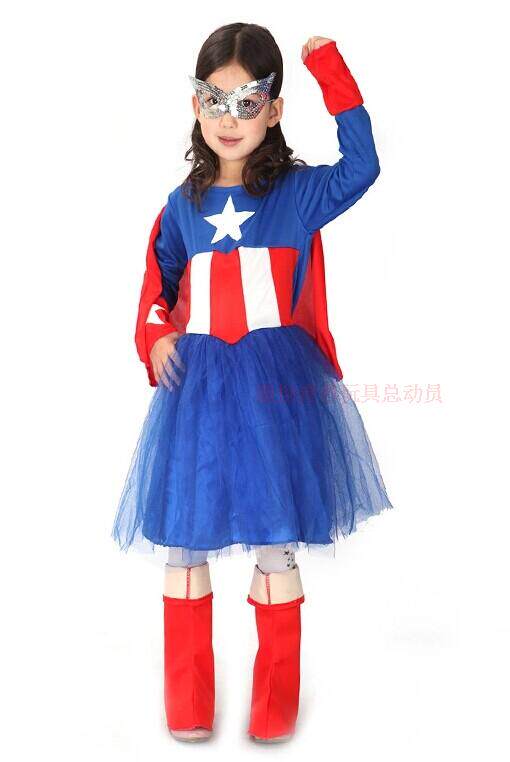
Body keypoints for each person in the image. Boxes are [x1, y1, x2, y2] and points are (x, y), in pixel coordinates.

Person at [111, 22, 394, 744]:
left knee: (275, 542)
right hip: (199, 388)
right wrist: (156, 335)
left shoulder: (298, 194)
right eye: (214, 100)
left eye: (247, 102)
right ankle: (188, 704)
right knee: (184, 544)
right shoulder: (182, 205)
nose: (228, 118)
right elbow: (156, 286)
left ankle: (274, 707)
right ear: (194, 106)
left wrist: (329, 69)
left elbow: (362, 166)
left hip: (276, 388)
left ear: (274, 110)